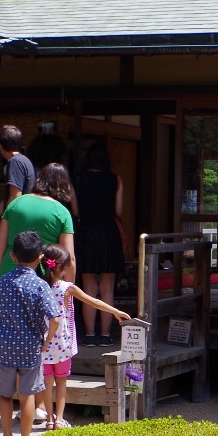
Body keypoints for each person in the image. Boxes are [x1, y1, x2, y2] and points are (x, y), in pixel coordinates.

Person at [37, 243, 132, 428]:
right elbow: (94, 301)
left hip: (44, 343)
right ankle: (59, 419)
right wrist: (115, 311)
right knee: (62, 382)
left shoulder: (39, 287)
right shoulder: (67, 288)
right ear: (63, 268)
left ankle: (49, 419)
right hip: (62, 344)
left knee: (47, 383)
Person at [0, 230, 61, 436]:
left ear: (13, 257)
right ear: (40, 257)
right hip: (31, 344)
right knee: (27, 393)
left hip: (5, 342)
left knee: (5, 393)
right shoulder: (40, 285)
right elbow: (55, 319)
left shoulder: (3, 281)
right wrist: (46, 342)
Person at [0, 164, 76, 324]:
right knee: (39, 331)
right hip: (42, 274)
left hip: (9, 270)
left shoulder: (15, 204)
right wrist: (67, 291)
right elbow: (69, 259)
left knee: (6, 329)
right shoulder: (62, 212)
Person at [73, 143, 125, 345]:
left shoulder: (77, 180)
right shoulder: (115, 179)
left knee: (88, 288)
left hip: (86, 232)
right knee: (107, 288)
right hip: (108, 232)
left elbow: (76, 212)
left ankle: (89, 335)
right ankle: (105, 334)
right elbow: (118, 211)